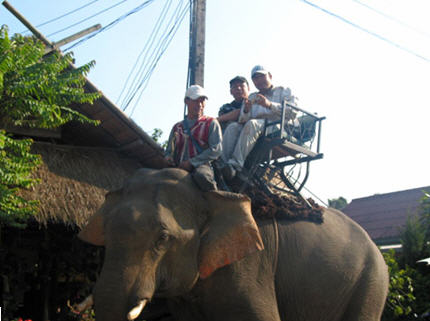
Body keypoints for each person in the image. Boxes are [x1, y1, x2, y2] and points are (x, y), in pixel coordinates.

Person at [222, 65, 296, 180]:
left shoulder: (283, 91)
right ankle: (223, 165)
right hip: (256, 128)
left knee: (253, 124)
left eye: (262, 76)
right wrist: (246, 110)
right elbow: (242, 120)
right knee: (233, 127)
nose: (259, 80)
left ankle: (234, 165)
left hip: (278, 126)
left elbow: (293, 112)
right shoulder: (252, 97)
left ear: (270, 76)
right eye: (256, 78)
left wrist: (270, 105)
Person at [165, 85, 222, 191]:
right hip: (179, 166)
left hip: (201, 165)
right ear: (186, 101)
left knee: (203, 177)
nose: (200, 105)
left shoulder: (211, 123)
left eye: (202, 101)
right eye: (196, 101)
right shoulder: (177, 127)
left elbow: (216, 149)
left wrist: (191, 163)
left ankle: (214, 202)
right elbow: (169, 151)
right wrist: (168, 157)